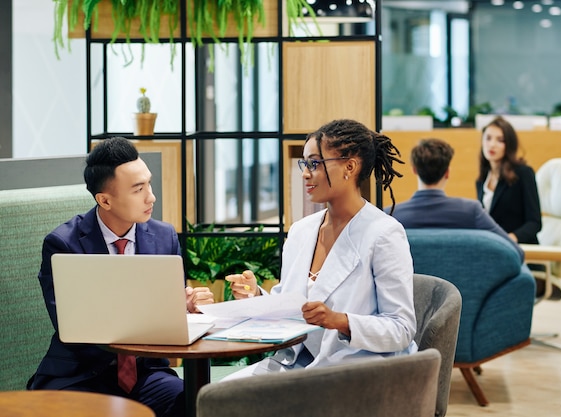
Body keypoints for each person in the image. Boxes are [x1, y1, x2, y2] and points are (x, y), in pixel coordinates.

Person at [27, 137, 214, 417]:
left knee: (191, 402)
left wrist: (184, 308)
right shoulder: (63, 245)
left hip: (146, 374)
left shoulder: (164, 237)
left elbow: (171, 318)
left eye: (148, 184)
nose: (151, 197)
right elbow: (73, 327)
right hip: (81, 376)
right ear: (105, 199)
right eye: (138, 189)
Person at [224, 119, 418, 378]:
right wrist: (255, 295)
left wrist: (340, 320)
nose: (305, 173)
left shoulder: (384, 234)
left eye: (315, 163)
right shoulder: (301, 231)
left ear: (350, 166)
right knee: (214, 395)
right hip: (294, 364)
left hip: (355, 371)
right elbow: (288, 309)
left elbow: (401, 329)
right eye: (304, 163)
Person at [389, 138, 524, 262]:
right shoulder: (471, 212)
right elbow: (515, 252)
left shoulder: (390, 215)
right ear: (447, 172)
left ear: (414, 170)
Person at [476, 116, 541, 244]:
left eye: (500, 140)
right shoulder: (482, 180)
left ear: (509, 145)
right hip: (494, 247)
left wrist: (510, 238)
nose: (492, 145)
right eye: (488, 138)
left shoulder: (523, 173)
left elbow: (534, 223)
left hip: (520, 249)